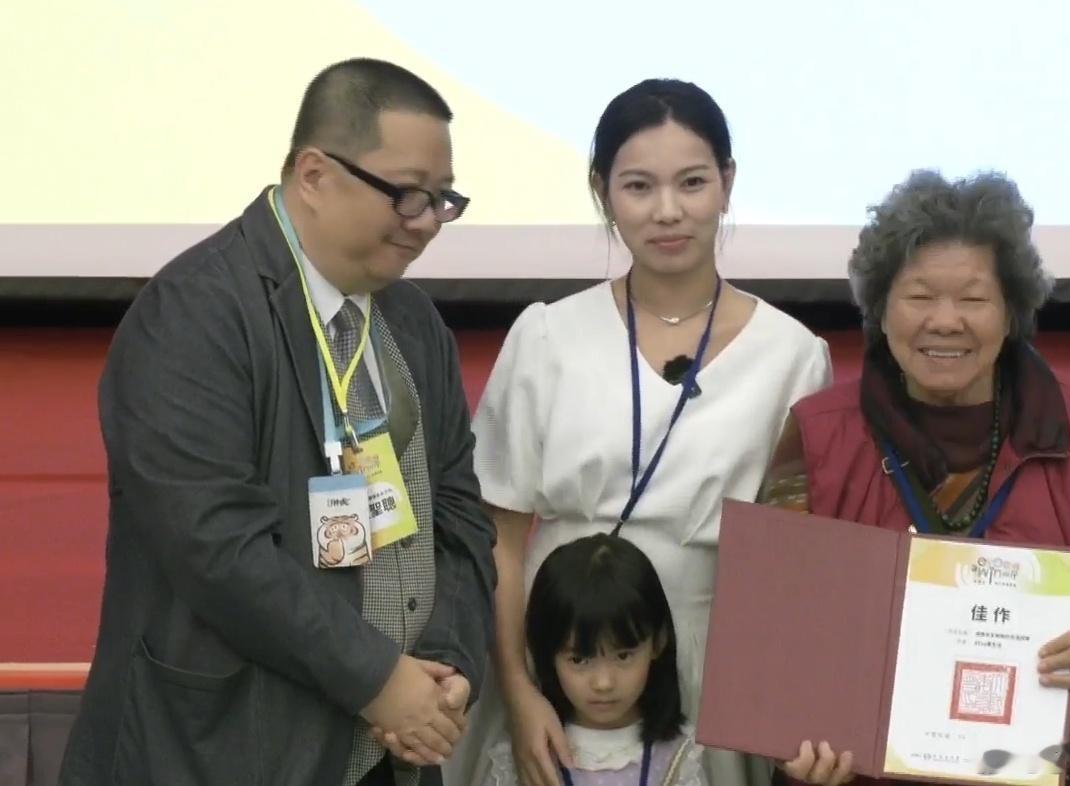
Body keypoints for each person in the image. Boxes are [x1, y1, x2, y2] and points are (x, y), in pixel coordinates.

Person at [57, 58, 497, 786]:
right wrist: (377, 679)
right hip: (225, 751)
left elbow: (457, 514)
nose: (426, 222)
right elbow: (217, 547)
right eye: (406, 194)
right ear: (315, 175)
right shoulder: (195, 311)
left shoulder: (414, 322)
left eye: (442, 199)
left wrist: (446, 666)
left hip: (395, 745)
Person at [443, 78, 832, 786]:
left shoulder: (792, 356)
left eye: (692, 182)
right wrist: (520, 688)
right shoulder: (546, 336)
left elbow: (796, 568)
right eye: (638, 187)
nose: (667, 211)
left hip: (707, 657)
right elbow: (498, 538)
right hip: (561, 652)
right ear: (602, 193)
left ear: (727, 182)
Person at [759, 170, 1070, 786]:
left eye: (973, 300)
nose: (945, 321)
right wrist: (793, 738)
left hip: (1040, 766)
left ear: (1010, 313)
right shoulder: (818, 436)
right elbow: (773, 619)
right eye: (920, 297)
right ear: (880, 309)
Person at [483, 533, 708, 786]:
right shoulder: (532, 750)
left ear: (658, 642)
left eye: (623, 656)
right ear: (547, 652)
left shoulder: (677, 756)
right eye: (579, 660)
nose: (603, 683)